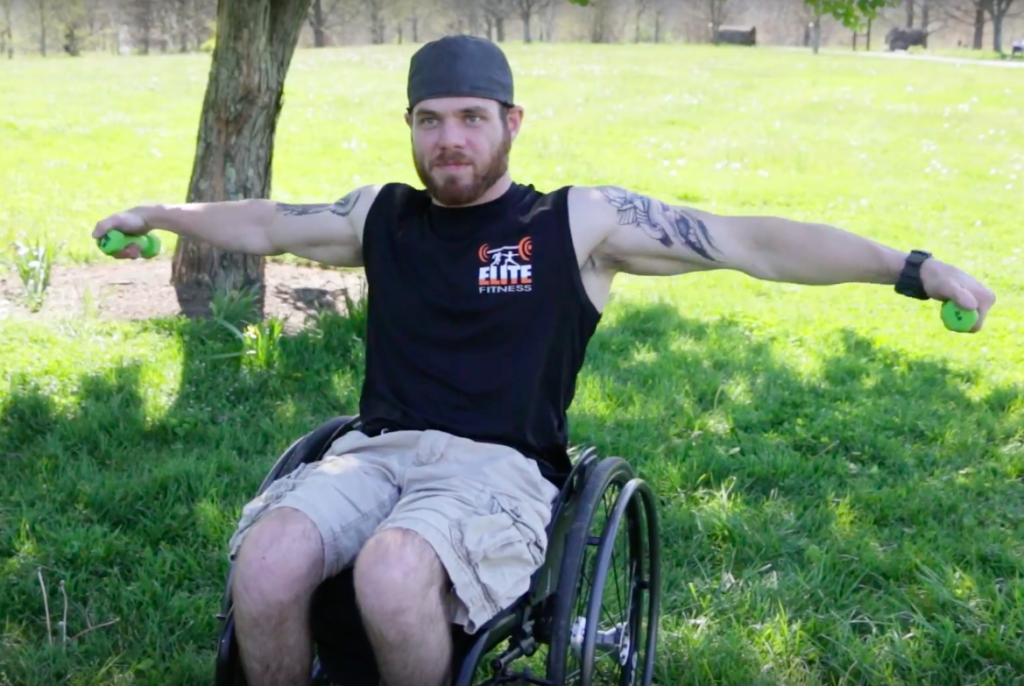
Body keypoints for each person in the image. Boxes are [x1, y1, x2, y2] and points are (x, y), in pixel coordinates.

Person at [92, 35, 994, 686]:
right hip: (375, 454)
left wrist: (908, 269)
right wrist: (160, 215)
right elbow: (265, 220)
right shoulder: (381, 216)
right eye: (431, 120)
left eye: (472, 119)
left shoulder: (575, 223)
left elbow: (746, 240)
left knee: (394, 569)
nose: (451, 139)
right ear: (409, 126)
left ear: (511, 122)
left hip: (500, 469)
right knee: (268, 559)